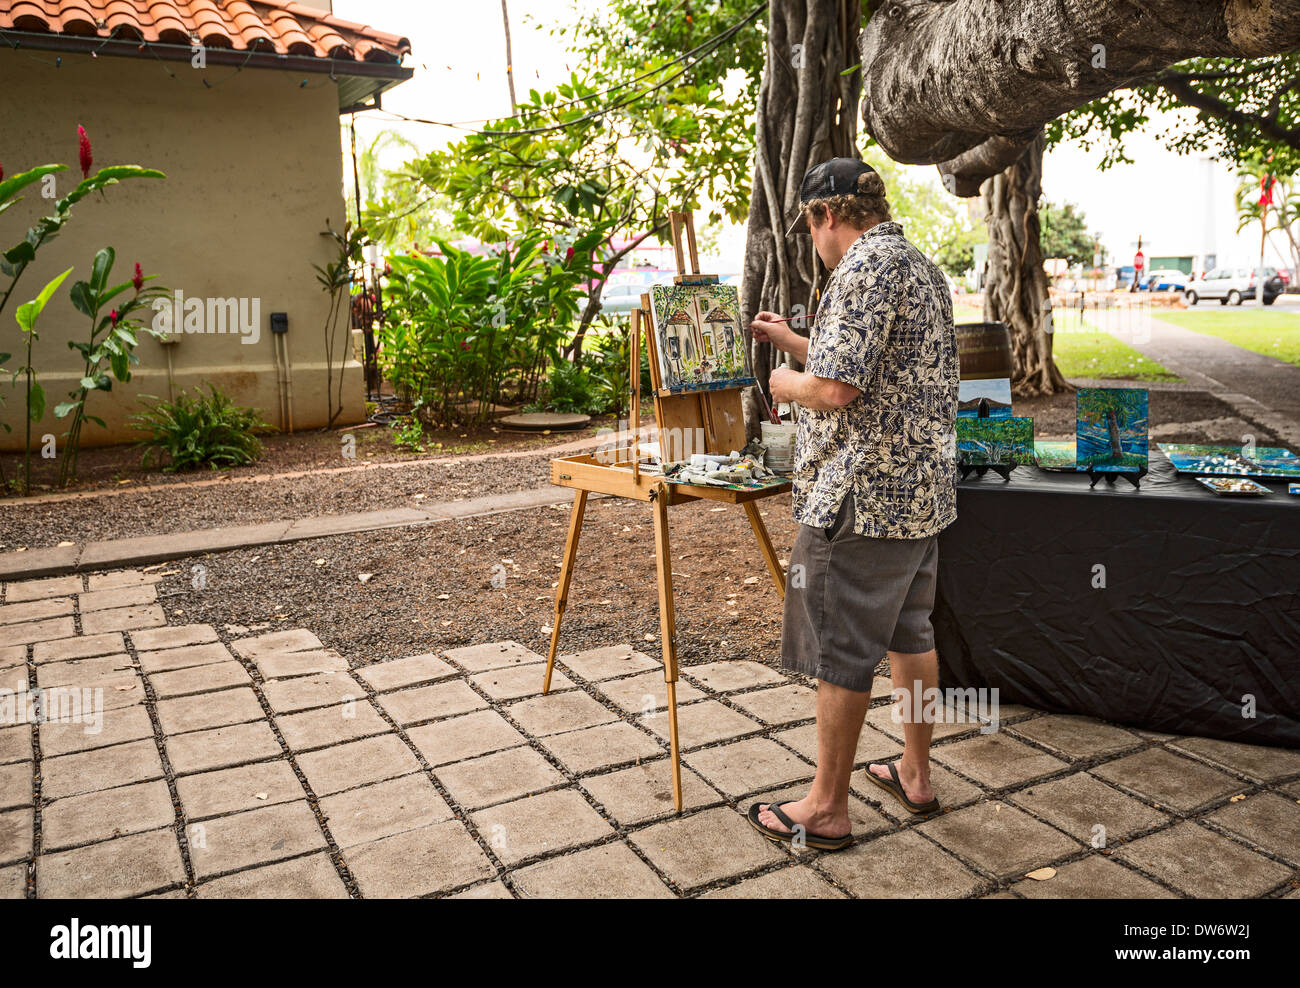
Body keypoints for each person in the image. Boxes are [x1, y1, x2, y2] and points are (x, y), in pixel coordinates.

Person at [745, 158, 959, 851]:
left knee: (841, 647)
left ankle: (825, 809)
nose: (815, 241)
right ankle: (916, 773)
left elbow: (837, 389)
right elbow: (867, 362)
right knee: (912, 635)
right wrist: (794, 342)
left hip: (862, 497)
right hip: (920, 494)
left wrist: (785, 379)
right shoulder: (919, 266)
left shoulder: (861, 271)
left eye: (811, 228)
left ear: (826, 216)